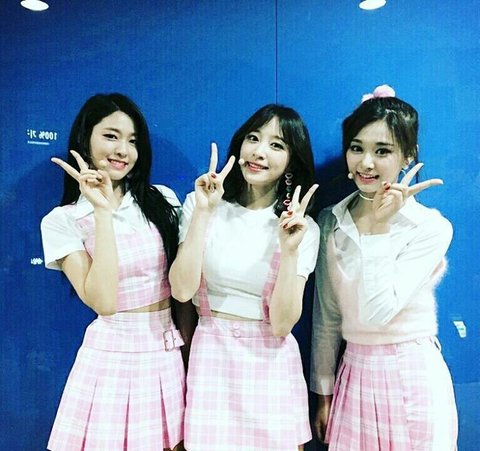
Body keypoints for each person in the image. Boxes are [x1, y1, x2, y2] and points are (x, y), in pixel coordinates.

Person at [311, 85, 458, 450]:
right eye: (356, 148)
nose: (366, 163)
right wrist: (323, 393)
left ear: (408, 155)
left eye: (382, 151)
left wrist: (377, 228)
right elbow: (327, 315)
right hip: (354, 373)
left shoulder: (430, 227)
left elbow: (379, 311)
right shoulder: (331, 220)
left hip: (411, 375)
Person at [41, 93, 189, 451]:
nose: (123, 150)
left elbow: (183, 290)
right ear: (85, 139)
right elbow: (104, 302)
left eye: (132, 140)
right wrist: (102, 212)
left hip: (166, 353)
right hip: (111, 357)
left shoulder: (163, 200)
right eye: (111, 136)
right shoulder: (62, 220)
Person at [169, 104, 320, 450]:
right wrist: (204, 213)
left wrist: (290, 250)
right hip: (212, 357)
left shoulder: (303, 228)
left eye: (276, 145)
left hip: (271, 363)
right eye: (253, 138)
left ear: (291, 162)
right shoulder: (200, 203)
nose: (259, 151)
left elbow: (282, 325)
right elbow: (181, 289)